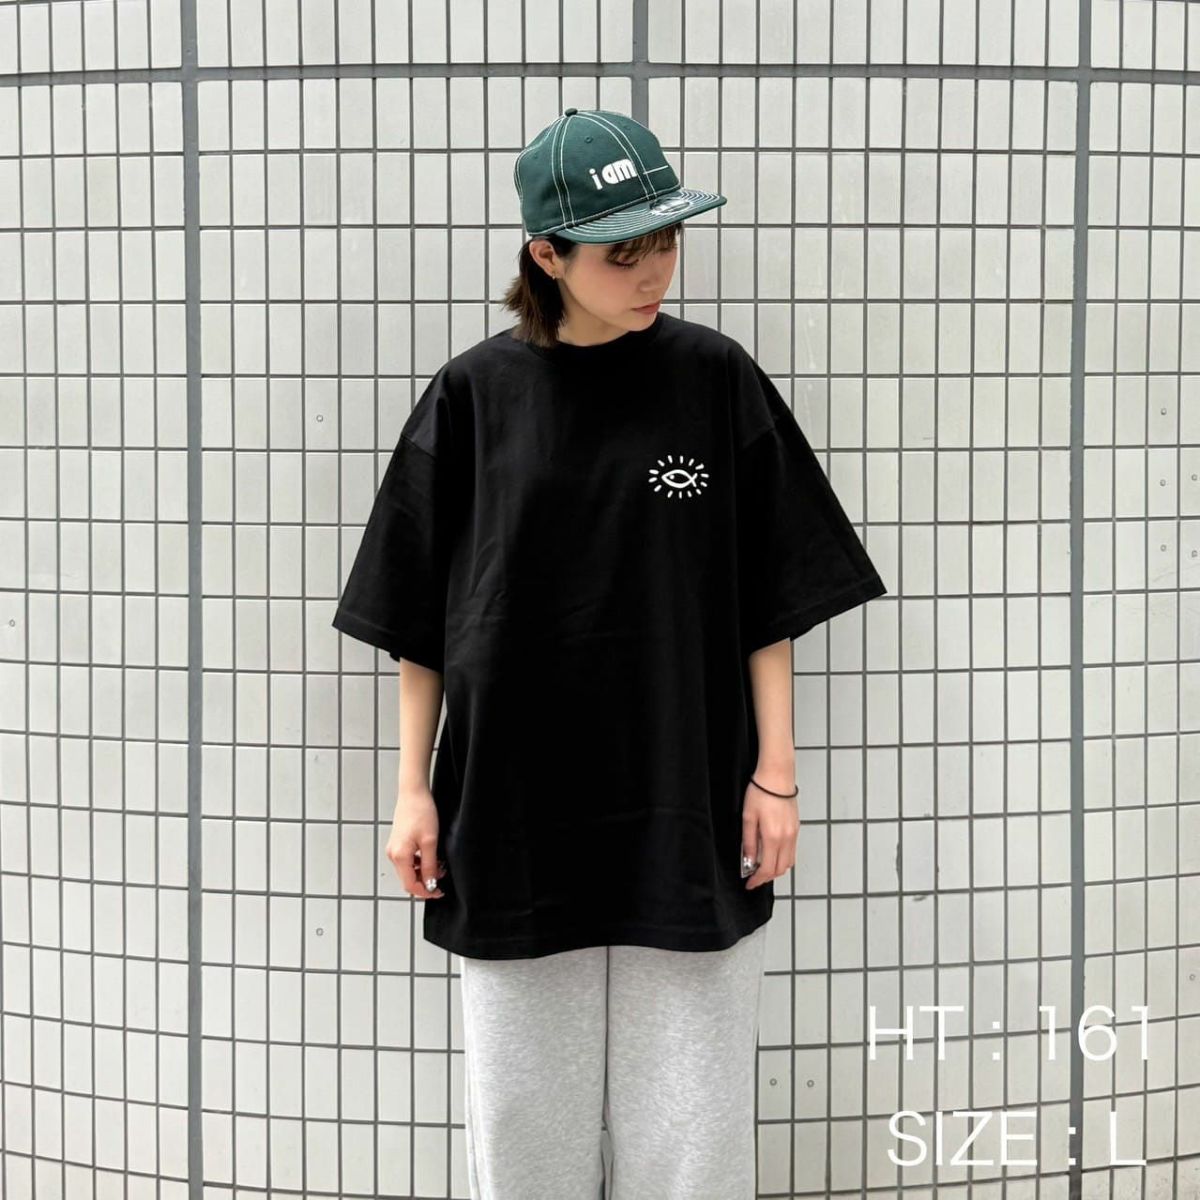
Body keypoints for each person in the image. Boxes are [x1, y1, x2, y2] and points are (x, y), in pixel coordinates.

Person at [332, 107, 887, 1200]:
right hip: (511, 808)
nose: (654, 273)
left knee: (695, 1136)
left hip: (688, 798)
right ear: (546, 256)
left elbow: (769, 592)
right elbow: (420, 617)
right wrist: (411, 790)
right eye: (621, 253)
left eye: (667, 242)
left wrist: (776, 775)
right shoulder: (474, 395)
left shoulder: (714, 378)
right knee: (523, 1135)